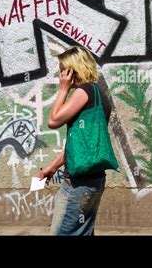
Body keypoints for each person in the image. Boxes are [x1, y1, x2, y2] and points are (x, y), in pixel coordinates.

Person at [38, 46, 112, 236]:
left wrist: (62, 90)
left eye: (63, 69)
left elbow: (53, 121)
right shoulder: (99, 94)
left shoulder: (83, 92)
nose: (61, 74)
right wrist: (53, 167)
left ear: (73, 70)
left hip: (79, 184)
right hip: (95, 180)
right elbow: (80, 144)